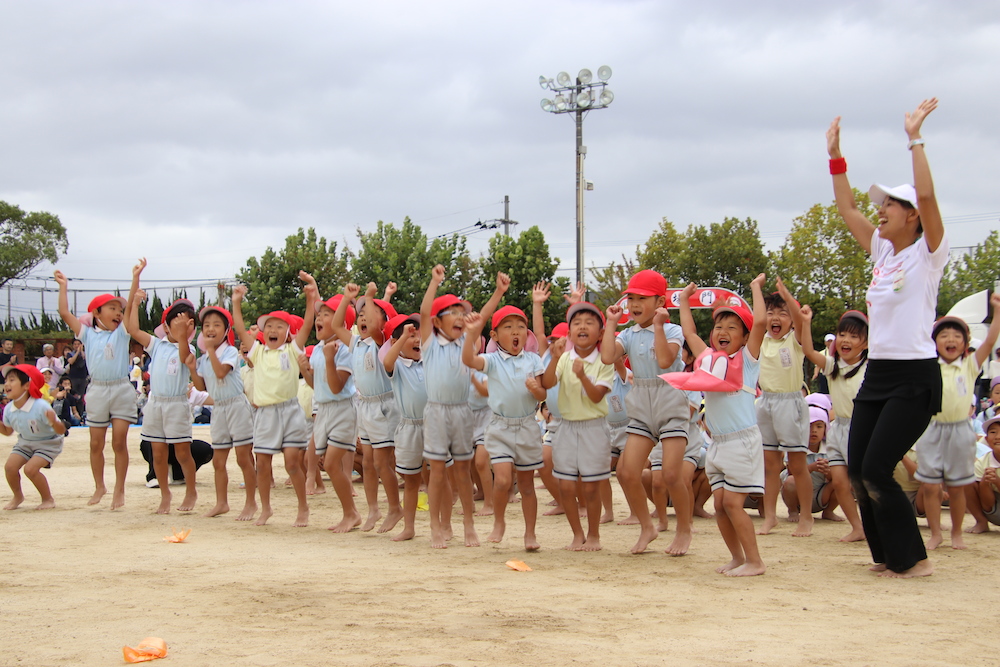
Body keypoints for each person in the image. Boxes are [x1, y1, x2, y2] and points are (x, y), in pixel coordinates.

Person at [827, 98, 945, 578]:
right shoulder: (882, 252)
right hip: (879, 375)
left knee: (878, 468)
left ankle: (915, 560)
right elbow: (847, 207)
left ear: (912, 216)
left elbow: (929, 198)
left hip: (915, 377)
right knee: (858, 470)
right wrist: (836, 157)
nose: (881, 210)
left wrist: (915, 139)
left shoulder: (928, 253)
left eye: (891, 204)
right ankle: (888, 557)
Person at [664, 276, 767, 576]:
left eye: (732, 327)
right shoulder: (708, 359)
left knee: (733, 503)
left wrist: (755, 288)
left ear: (745, 338)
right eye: (719, 326)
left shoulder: (747, 360)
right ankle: (737, 558)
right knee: (720, 505)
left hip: (742, 442)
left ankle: (755, 561)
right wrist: (685, 300)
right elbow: (689, 332)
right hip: (718, 444)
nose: (723, 331)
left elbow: (760, 322)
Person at [601, 269, 692, 556]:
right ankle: (647, 527)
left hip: (669, 400)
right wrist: (610, 323)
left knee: (671, 474)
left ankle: (684, 529)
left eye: (642, 298)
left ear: (660, 302)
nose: (634, 304)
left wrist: (660, 327)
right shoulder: (628, 334)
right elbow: (607, 356)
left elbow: (665, 360)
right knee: (628, 472)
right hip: (641, 403)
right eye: (631, 299)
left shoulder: (673, 330)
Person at [420, 266, 507, 549]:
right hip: (435, 411)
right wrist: (435, 281)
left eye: (462, 312)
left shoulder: (466, 344)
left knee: (461, 471)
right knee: (436, 471)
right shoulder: (430, 343)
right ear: (438, 321)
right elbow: (423, 312)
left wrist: (499, 292)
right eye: (453, 313)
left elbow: (483, 316)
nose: (460, 317)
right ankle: (436, 526)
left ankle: (468, 524)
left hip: (461, 411)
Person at [913, 297, 1000, 549]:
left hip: (960, 429)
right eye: (944, 335)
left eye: (956, 336)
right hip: (932, 429)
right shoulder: (927, 366)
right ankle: (936, 533)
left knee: (957, 487)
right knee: (930, 486)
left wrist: (996, 310)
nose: (950, 339)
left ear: (965, 342)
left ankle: (956, 534)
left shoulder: (970, 365)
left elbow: (990, 341)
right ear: (934, 342)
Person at [462, 298, 547, 552]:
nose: (515, 332)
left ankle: (530, 533)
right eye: (508, 327)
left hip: (527, 426)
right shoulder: (491, 360)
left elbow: (543, 394)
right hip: (499, 427)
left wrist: (536, 389)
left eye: (520, 327)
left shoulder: (534, 360)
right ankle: (499, 522)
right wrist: (471, 333)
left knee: (527, 485)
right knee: (501, 480)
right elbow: (468, 360)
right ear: (495, 335)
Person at [232, 273, 316, 527]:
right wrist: (236, 302)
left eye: (280, 326)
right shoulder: (257, 352)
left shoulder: (292, 349)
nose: (273, 330)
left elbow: (308, 324)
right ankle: (265, 508)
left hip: (289, 411)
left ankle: (303, 507)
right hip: (265, 413)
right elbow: (239, 328)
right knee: (263, 463)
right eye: (269, 326)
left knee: (292, 462)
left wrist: (310, 298)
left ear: (287, 332)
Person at [54, 270, 136, 509]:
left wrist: (135, 279)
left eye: (119, 310)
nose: (118, 313)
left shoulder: (122, 333)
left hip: (121, 388)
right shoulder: (87, 334)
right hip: (98, 389)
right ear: (96, 313)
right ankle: (100, 486)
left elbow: (131, 305)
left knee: (119, 442)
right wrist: (63, 286)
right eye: (112, 308)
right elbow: (64, 313)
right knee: (95, 443)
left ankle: (119, 489)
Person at [127, 267, 201, 515]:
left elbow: (184, 356)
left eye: (188, 324)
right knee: (157, 454)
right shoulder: (156, 345)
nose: (182, 328)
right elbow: (132, 329)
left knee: (182, 452)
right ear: (166, 327)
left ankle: (191, 490)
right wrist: (135, 300)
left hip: (176, 404)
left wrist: (182, 335)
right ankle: (165, 494)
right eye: (176, 323)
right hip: (155, 404)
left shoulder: (189, 348)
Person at [541, 302, 614, 551]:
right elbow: (548, 383)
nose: (582, 327)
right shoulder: (564, 358)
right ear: (570, 332)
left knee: (591, 486)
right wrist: (554, 357)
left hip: (594, 428)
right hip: (566, 427)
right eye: (577, 323)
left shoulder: (604, 360)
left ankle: (594, 535)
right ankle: (577, 534)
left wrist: (582, 376)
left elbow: (596, 397)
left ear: (601, 333)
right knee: (566, 485)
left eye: (589, 323)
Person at [331, 282, 402, 533]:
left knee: (383, 463)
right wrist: (346, 299)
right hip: (366, 406)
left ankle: (395, 508)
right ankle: (373, 509)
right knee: (370, 463)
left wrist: (370, 296)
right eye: (359, 314)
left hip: (385, 406)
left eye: (368, 314)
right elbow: (336, 326)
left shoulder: (381, 341)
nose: (363, 318)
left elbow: (374, 326)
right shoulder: (356, 343)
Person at [799, 309, 869, 542]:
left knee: (865, 484)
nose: (846, 340)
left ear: (865, 343)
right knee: (839, 482)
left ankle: (875, 527)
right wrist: (806, 322)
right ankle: (857, 528)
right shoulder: (833, 366)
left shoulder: (871, 367)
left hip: (862, 429)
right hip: (839, 429)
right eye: (842, 334)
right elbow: (808, 351)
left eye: (854, 336)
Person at [754, 280, 813, 537]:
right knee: (770, 465)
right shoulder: (762, 339)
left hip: (790, 404)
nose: (775, 318)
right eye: (771, 313)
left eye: (782, 313)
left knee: (797, 465)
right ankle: (770, 516)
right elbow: (757, 319)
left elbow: (800, 321)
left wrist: (788, 297)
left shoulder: (795, 340)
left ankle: (806, 516)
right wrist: (757, 290)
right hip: (765, 402)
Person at [193, 305, 258, 521]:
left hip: (236, 405)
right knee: (218, 461)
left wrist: (211, 350)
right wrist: (193, 368)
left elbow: (221, 372)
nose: (210, 329)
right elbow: (201, 387)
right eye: (206, 325)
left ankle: (251, 502)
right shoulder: (204, 358)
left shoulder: (229, 351)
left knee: (243, 458)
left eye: (216, 325)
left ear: (226, 330)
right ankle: (222, 503)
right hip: (219, 407)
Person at [305, 294, 361, 533]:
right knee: (328, 463)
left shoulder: (344, 349)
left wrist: (329, 359)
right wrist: (305, 371)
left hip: (342, 409)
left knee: (330, 463)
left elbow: (337, 387)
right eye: (319, 314)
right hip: (324, 409)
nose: (319, 318)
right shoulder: (319, 349)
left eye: (326, 314)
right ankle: (350, 513)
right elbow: (318, 386)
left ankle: (351, 513)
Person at [2, 365, 66, 510]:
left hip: (48, 443)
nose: (6, 384)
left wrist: (54, 422)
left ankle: (48, 499)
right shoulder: (9, 409)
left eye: (12, 380)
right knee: (10, 467)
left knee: (30, 469)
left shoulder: (41, 406)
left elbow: (61, 430)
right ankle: (18, 497)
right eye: (6, 380)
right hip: (25, 442)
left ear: (26, 386)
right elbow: (7, 431)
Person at [781, 406, 839, 523]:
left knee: (843, 480)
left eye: (819, 426)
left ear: (825, 429)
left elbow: (833, 478)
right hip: (798, 497)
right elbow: (791, 472)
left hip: (821, 496)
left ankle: (828, 511)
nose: (814, 430)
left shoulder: (830, 448)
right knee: (790, 481)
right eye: (809, 426)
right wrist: (811, 468)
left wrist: (827, 471)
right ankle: (793, 510)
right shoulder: (795, 447)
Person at [965, 416, 1000, 532]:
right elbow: (987, 503)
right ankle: (981, 522)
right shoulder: (983, 462)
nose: (998, 437)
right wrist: (985, 482)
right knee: (967, 479)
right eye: (993, 432)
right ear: (987, 439)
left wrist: (997, 482)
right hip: (994, 511)